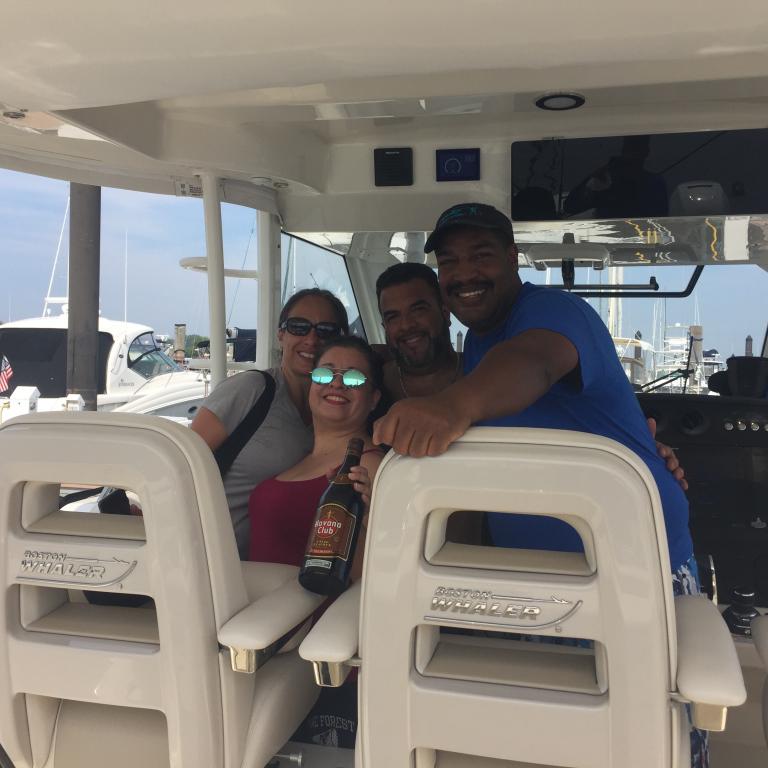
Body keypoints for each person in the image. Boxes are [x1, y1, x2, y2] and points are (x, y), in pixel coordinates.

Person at [372, 202, 705, 765]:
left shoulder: (552, 311)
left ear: (513, 258)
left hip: (634, 572)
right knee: (558, 738)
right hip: (529, 583)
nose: (465, 272)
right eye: (450, 261)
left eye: (481, 255)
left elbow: (535, 362)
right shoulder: (478, 349)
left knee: (656, 737)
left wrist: (451, 407)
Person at [375, 260, 687, 489]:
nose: (406, 325)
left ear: (444, 313)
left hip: (479, 532)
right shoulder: (370, 380)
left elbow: (555, 406)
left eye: (418, 310)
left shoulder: (484, 376)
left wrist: (643, 452)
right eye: (393, 317)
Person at [247, 335, 384, 752]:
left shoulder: (369, 468)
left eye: (353, 378)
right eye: (326, 373)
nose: (337, 383)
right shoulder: (298, 458)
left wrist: (375, 511)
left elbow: (368, 578)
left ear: (374, 398)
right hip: (259, 646)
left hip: (317, 663)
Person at [191, 288, 349, 558]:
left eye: (325, 330)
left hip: (269, 568)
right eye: (298, 327)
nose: (311, 339)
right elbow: (181, 462)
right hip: (207, 559)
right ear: (281, 334)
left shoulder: (334, 412)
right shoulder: (251, 389)